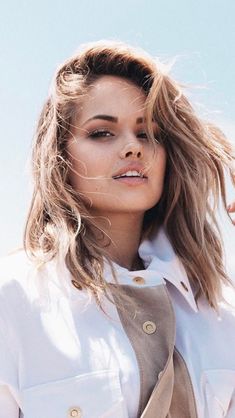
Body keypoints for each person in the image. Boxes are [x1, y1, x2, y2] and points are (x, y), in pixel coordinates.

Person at [0, 40, 235, 418]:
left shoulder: (219, 313)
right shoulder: (13, 300)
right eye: (102, 133)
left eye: (148, 133)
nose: (133, 148)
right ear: (60, 155)